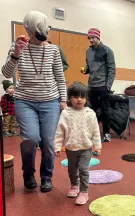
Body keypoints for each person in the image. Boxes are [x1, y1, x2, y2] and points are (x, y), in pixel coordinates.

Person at [1, 11, 67, 192]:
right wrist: (16, 53)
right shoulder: (18, 48)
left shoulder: (53, 50)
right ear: (28, 30)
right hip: (25, 101)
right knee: (30, 139)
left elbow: (60, 78)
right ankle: (28, 173)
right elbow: (6, 74)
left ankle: (46, 176)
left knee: (48, 141)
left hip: (50, 102)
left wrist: (63, 100)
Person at [54, 82, 101, 205]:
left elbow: (95, 131)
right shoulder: (65, 113)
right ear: (69, 98)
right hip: (71, 148)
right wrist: (57, 146)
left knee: (83, 169)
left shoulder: (90, 114)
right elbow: (60, 131)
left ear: (86, 98)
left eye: (82, 97)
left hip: (86, 148)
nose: (79, 100)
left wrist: (98, 146)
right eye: (75, 96)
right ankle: (75, 185)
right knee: (72, 169)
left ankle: (84, 192)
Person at [80, 28, 116, 142]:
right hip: (92, 85)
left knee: (105, 110)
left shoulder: (107, 51)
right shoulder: (88, 51)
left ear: (98, 37)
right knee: (91, 110)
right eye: (89, 38)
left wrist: (108, 85)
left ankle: (106, 133)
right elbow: (89, 67)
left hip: (103, 86)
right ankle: (92, 132)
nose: (91, 40)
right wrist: (85, 70)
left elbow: (112, 69)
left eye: (93, 38)